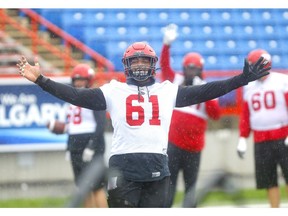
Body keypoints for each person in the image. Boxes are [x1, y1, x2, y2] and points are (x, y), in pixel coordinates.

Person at [17, 41, 269, 208]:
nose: (139, 66)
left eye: (144, 62)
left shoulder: (167, 90)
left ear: (153, 65)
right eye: (134, 62)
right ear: (127, 66)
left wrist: (242, 79)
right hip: (124, 166)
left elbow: (206, 91)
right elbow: (76, 96)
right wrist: (42, 80)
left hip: (157, 164)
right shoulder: (113, 90)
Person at [160, 24, 221, 207]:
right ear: (184, 68)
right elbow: (164, 67)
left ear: (200, 70)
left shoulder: (205, 86)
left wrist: (202, 90)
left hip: (194, 147)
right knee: (168, 187)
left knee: (191, 188)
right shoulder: (177, 81)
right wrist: (166, 45)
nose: (190, 72)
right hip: (173, 144)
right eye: (188, 68)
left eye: (194, 69)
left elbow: (216, 114)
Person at [47, 63, 108, 208]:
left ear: (89, 80)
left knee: (97, 187)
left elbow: (100, 124)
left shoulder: (94, 96)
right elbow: (73, 126)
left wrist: (92, 146)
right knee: (83, 188)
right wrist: (69, 146)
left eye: (82, 80)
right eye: (76, 80)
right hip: (75, 145)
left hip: (90, 145)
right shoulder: (73, 99)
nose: (79, 83)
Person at [237, 49, 288, 208]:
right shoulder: (249, 87)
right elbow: (246, 115)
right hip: (261, 139)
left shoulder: (282, 81)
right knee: (269, 180)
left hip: (283, 136)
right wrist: (242, 137)